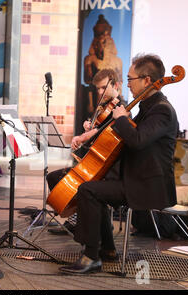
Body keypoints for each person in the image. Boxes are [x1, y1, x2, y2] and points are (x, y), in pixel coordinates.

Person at [60, 54, 179, 274]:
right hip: (136, 178)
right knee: (94, 186)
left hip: (148, 186)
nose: (129, 84)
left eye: (131, 79)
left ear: (146, 80)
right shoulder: (148, 107)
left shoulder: (162, 110)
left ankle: (91, 256)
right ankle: (105, 249)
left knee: (88, 190)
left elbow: (137, 140)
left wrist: (122, 118)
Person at [47, 69, 124, 235]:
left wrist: (89, 134)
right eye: (97, 88)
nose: (100, 92)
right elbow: (99, 132)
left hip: (107, 168)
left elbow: (109, 135)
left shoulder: (121, 109)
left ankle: (87, 222)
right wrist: (90, 126)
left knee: (63, 180)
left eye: (103, 87)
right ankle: (78, 218)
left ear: (116, 85)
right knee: (54, 177)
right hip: (93, 161)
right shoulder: (104, 108)